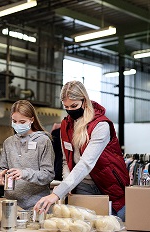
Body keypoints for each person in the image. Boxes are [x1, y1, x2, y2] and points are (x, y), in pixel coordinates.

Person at [34, 81, 129, 221]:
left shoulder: (101, 125)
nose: (70, 110)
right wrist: (68, 188)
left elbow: (86, 163)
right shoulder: (66, 126)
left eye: (74, 106)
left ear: (84, 101)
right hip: (82, 185)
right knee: (84, 225)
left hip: (109, 184)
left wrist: (58, 192)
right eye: (66, 107)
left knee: (110, 226)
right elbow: (67, 160)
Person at [0, 100, 55, 210]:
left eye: (22, 122)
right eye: (14, 121)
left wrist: (24, 173)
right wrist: (0, 174)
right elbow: (1, 168)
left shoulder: (43, 141)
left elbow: (48, 175)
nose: (17, 125)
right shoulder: (8, 142)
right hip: (12, 204)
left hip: (37, 204)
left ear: (31, 120)